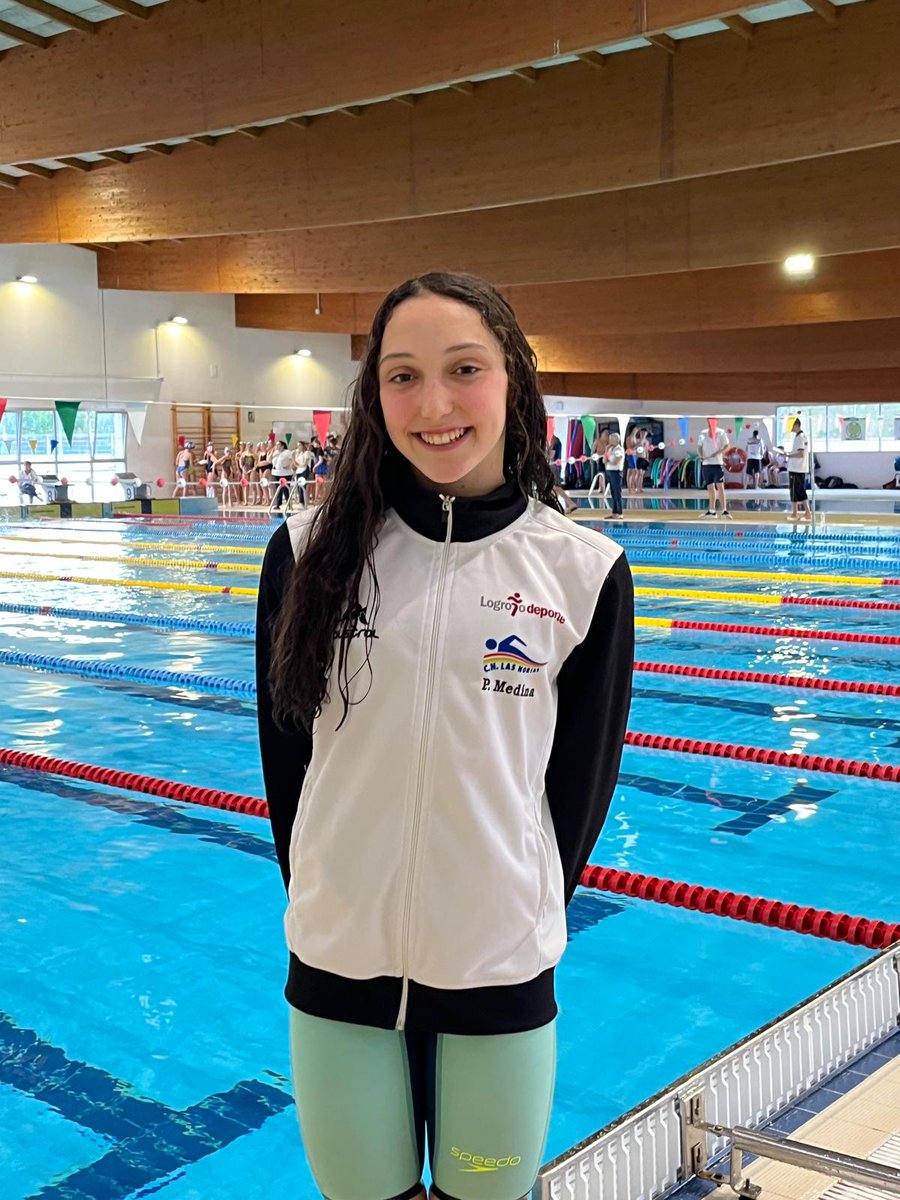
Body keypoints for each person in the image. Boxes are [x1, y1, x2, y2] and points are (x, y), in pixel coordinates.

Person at [256, 271, 634, 1200]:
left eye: (463, 369)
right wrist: (331, 894)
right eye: (402, 376)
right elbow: (286, 764)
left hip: (497, 972)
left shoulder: (583, 573)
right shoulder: (306, 553)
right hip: (338, 966)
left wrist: (511, 901)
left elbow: (578, 791)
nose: (433, 404)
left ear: (512, 379)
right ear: (373, 395)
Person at [698, 419, 731, 518]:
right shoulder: (703, 433)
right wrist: (700, 455)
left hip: (717, 463)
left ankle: (724, 510)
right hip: (706, 464)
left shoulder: (721, 432)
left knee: (720, 487)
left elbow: (727, 446)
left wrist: (718, 452)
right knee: (710, 488)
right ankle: (712, 511)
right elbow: (699, 446)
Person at [787, 420, 812, 522]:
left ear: (796, 425)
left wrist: (788, 455)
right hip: (800, 468)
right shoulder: (801, 436)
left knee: (794, 492)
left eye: (791, 425)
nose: (790, 428)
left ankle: (795, 513)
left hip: (796, 469)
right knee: (801, 491)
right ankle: (807, 513)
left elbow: (801, 454)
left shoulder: (800, 437)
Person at [603, 432, 625, 519]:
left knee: (617, 493)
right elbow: (604, 461)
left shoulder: (619, 450)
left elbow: (615, 461)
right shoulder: (610, 449)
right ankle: (614, 512)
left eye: (611, 439)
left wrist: (608, 459)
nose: (609, 441)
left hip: (616, 472)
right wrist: (606, 450)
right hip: (609, 471)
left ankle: (620, 513)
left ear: (616, 440)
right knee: (613, 493)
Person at [270, 440, 295, 511]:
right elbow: (270, 460)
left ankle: (289, 504)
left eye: (278, 445)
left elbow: (292, 460)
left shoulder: (287, 452)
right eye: (276, 445)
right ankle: (278, 504)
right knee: (278, 489)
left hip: (285, 473)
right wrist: (271, 452)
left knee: (285, 489)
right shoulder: (275, 452)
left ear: (282, 446)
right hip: (276, 473)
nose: (276, 446)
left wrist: (289, 466)